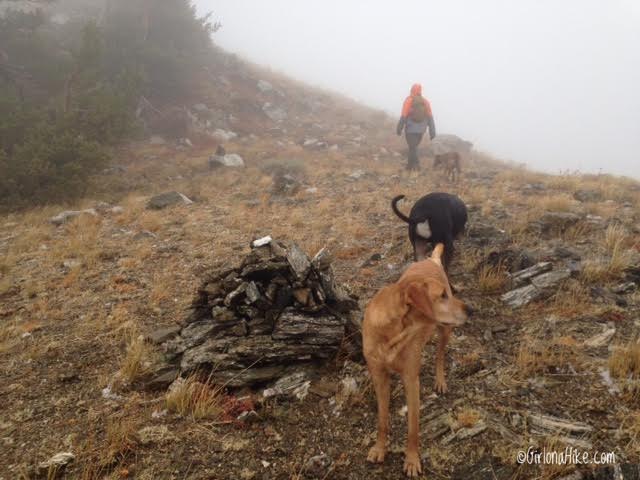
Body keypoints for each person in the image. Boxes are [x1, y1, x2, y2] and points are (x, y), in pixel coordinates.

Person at [396, 84, 436, 171]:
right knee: (413, 147)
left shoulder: (409, 100)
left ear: (412, 90)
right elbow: (430, 117)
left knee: (413, 148)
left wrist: (399, 128)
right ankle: (409, 167)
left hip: (410, 129)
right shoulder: (425, 102)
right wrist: (432, 131)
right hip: (421, 130)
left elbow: (404, 115)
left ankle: (417, 166)